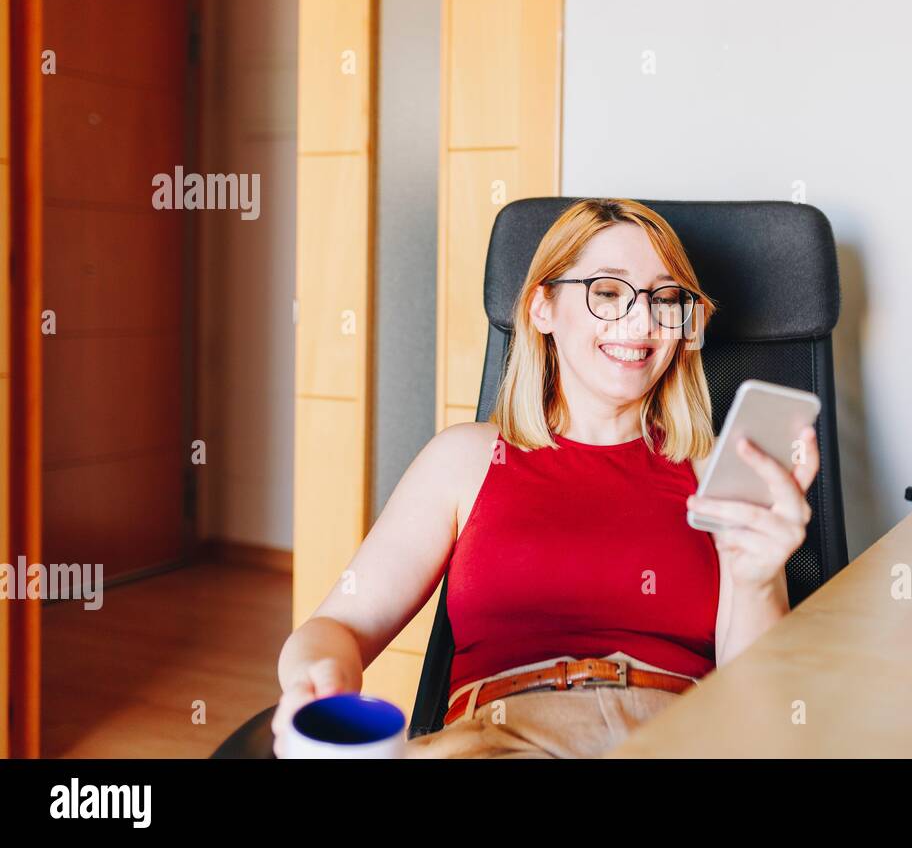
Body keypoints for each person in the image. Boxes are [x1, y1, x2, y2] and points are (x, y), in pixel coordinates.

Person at [271, 197, 820, 758]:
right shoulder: (465, 460)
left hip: (674, 734)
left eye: (666, 297)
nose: (643, 319)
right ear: (542, 308)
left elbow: (757, 701)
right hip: (502, 739)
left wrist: (756, 577)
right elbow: (338, 626)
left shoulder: (720, 471)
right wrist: (317, 678)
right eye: (608, 292)